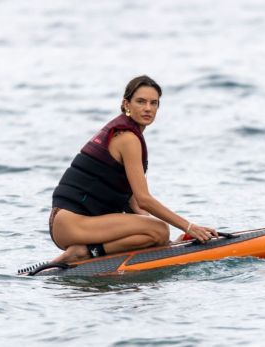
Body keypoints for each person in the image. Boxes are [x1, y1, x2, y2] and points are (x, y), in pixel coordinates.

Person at [49, 75, 218, 263]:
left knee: (157, 231)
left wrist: (161, 241)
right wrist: (189, 227)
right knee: (159, 228)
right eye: (141, 101)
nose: (148, 108)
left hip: (73, 223)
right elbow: (144, 200)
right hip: (72, 223)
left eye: (154, 103)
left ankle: (91, 250)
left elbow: (134, 202)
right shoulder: (127, 138)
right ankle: (83, 253)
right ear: (126, 104)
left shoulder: (127, 133)